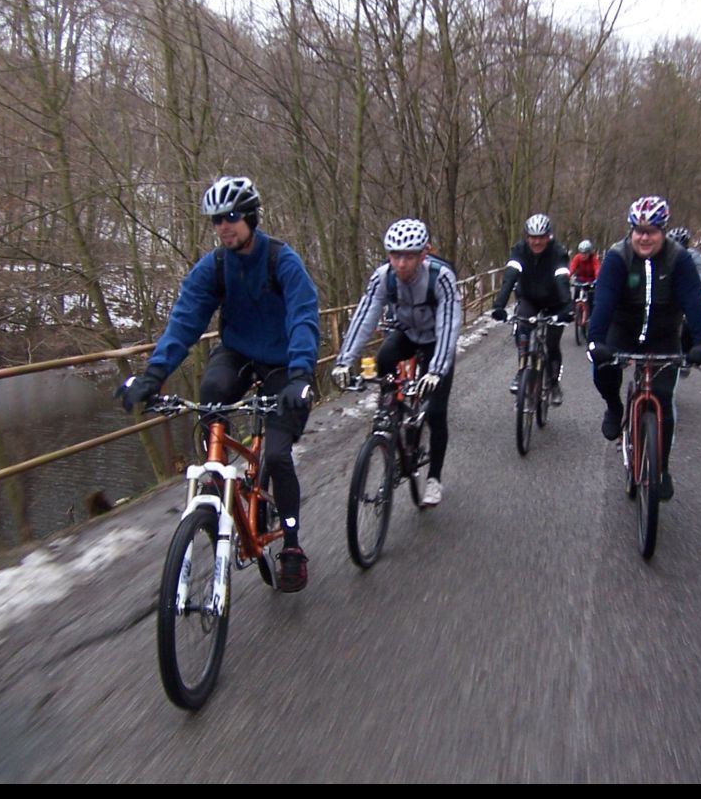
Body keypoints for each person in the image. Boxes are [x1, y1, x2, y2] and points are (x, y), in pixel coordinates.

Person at [118, 176, 320, 592]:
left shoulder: (281, 260)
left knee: (277, 455)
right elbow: (185, 320)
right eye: (216, 220)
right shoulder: (214, 267)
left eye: (231, 217)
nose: (223, 226)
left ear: (251, 217)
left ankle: (292, 544)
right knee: (211, 391)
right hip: (238, 353)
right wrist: (154, 375)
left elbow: (303, 316)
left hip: (284, 363)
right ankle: (215, 476)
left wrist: (301, 375)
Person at [587, 196, 701, 501]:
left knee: (663, 399)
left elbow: (693, 303)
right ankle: (615, 407)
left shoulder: (679, 259)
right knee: (603, 370)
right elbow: (603, 301)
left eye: (652, 231)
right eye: (638, 231)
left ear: (663, 231)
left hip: (663, 334)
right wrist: (596, 340)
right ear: (631, 231)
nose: (644, 237)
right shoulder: (618, 257)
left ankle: (662, 468)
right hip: (623, 329)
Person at [332, 219, 462, 507]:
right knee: (384, 358)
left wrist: (436, 370)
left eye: (409, 256)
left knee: (436, 411)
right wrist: (344, 361)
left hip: (436, 340)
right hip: (407, 333)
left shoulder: (440, 277)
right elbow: (365, 316)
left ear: (423, 254)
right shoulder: (383, 277)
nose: (401, 264)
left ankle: (434, 478)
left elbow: (449, 325)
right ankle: (391, 409)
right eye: (395, 256)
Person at [490, 213, 573, 405]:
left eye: (541, 237)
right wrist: (499, 305)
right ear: (527, 237)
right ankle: (521, 371)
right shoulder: (519, 251)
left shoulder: (558, 252)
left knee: (552, 344)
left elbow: (562, 280)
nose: (537, 242)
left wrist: (567, 308)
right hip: (529, 298)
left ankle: (553, 383)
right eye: (532, 237)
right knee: (522, 329)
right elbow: (510, 277)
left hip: (554, 301)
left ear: (549, 237)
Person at [667, 226, 701, 376]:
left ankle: (686, 356)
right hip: (671, 297)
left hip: (693, 295)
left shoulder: (694, 258)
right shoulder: (665, 256)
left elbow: (700, 278)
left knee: (689, 324)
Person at [568, 239, 601, 319]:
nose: (583, 255)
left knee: (591, 297)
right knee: (576, 293)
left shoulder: (594, 260)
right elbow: (572, 268)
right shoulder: (577, 258)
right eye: (581, 253)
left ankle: (592, 316)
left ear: (589, 253)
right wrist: (567, 277)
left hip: (591, 281)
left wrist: (597, 279)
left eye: (585, 253)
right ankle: (574, 311)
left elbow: (597, 270)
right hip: (580, 279)